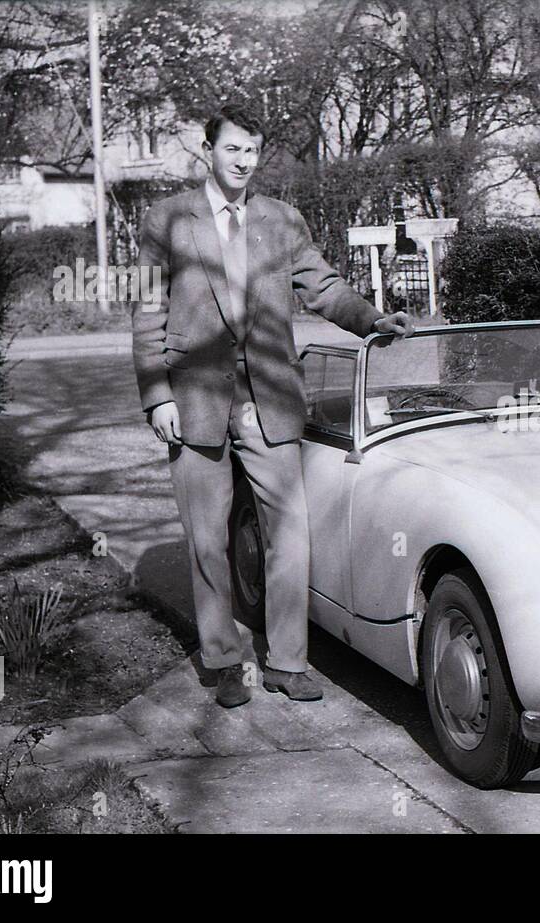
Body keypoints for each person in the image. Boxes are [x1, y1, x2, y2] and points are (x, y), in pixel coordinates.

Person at [132, 103, 413, 708]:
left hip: (269, 394)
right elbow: (149, 313)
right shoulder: (167, 221)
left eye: (252, 151)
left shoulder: (282, 220)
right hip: (195, 396)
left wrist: (370, 321)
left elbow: (324, 287)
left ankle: (288, 661)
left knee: (290, 530)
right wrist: (157, 395)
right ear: (208, 150)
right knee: (208, 538)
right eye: (232, 148)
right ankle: (224, 661)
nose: (242, 161)